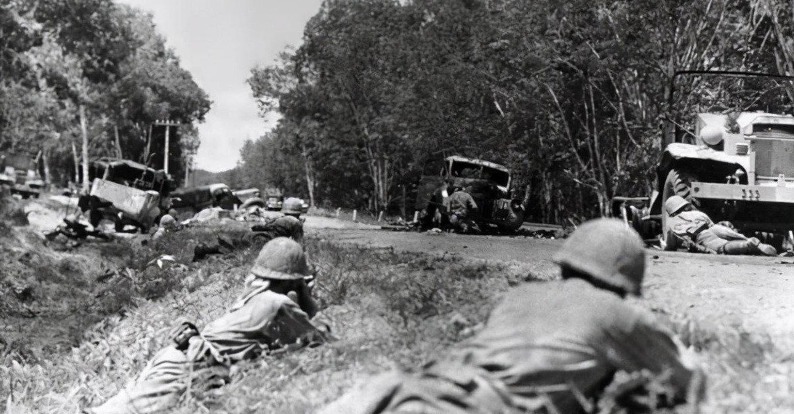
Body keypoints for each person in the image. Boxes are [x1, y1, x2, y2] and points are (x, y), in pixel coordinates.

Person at [320, 218, 704, 414]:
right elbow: (689, 384)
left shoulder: (520, 296)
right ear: (624, 281)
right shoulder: (618, 315)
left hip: (411, 390)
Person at [88, 237, 328, 414]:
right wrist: (306, 294)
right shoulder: (278, 303)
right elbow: (318, 341)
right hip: (190, 366)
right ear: (294, 280)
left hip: (179, 354)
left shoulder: (255, 296)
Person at [664, 195, 776, 255]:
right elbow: (711, 224)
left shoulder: (672, 221)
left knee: (722, 247)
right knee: (733, 235)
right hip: (713, 227)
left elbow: (670, 244)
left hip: (700, 234)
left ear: (671, 211)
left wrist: (668, 247)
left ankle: (747, 245)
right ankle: (748, 239)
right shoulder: (696, 213)